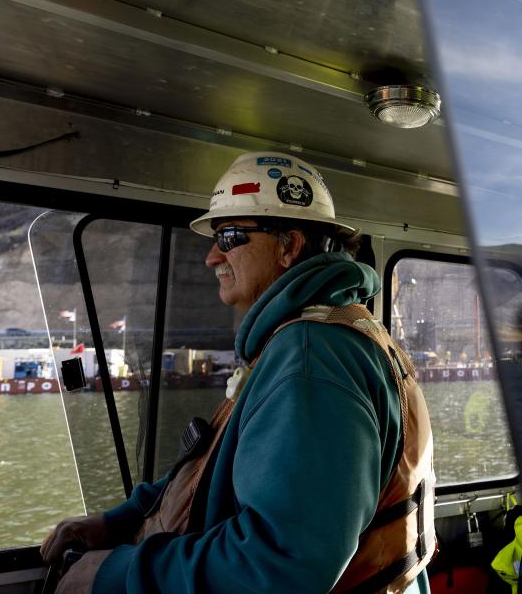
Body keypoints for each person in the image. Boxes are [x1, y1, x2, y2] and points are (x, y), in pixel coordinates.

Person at [41, 152, 436, 593]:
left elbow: (281, 562)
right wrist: (118, 521)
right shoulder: (312, 336)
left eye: (229, 237)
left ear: (288, 246)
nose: (212, 257)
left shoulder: (311, 356)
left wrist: (116, 573)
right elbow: (213, 467)